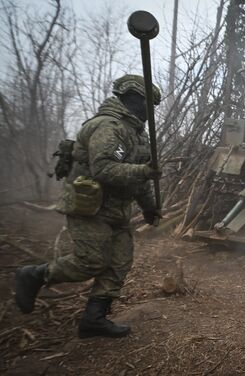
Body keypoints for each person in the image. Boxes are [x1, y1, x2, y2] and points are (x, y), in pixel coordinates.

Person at [15, 74, 162, 338]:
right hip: (90, 208)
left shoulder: (136, 136)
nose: (150, 113)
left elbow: (141, 180)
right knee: (92, 262)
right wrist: (143, 170)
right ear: (134, 100)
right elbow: (104, 168)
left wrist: (150, 208)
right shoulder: (109, 127)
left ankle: (94, 319)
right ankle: (36, 275)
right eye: (149, 105)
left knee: (118, 263)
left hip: (117, 211)